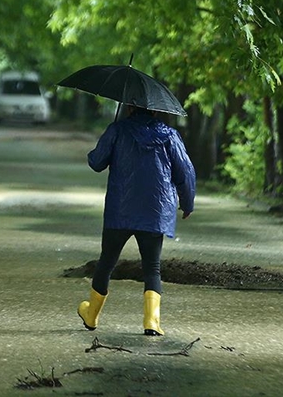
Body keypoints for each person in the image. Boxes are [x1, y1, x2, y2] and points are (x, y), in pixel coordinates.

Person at [77, 105, 195, 336]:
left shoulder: (118, 130)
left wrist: (104, 142)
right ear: (156, 111)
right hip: (155, 209)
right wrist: (187, 202)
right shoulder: (169, 135)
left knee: (107, 262)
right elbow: (185, 171)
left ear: (129, 108)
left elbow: (96, 162)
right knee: (152, 268)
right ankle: (151, 322)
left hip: (120, 210)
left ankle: (91, 315)